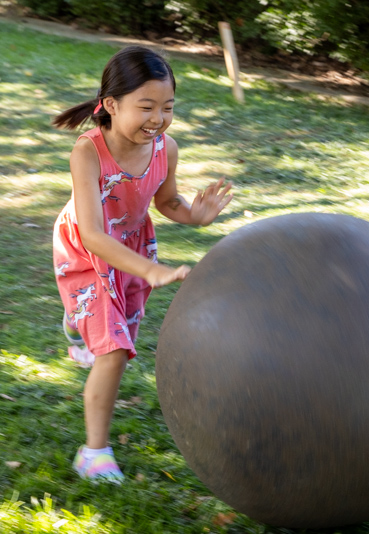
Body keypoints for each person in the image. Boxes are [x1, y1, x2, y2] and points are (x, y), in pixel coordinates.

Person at [52, 45, 233, 483]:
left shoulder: (165, 148)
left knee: (117, 337)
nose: (158, 118)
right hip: (86, 252)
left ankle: (79, 321)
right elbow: (93, 235)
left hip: (132, 245)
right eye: (146, 106)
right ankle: (94, 453)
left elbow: (167, 201)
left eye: (167, 107)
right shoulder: (88, 151)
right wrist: (151, 271)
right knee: (114, 351)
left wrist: (196, 215)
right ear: (112, 105)